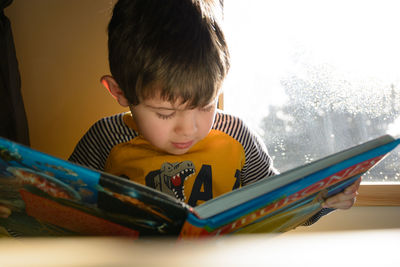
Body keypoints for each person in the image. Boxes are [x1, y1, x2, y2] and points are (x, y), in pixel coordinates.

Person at [0, 0, 360, 223]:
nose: (188, 129)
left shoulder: (237, 136)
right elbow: (64, 206)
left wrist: (321, 202)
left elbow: (275, 205)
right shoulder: (104, 139)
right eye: (164, 114)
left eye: (206, 106)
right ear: (120, 93)